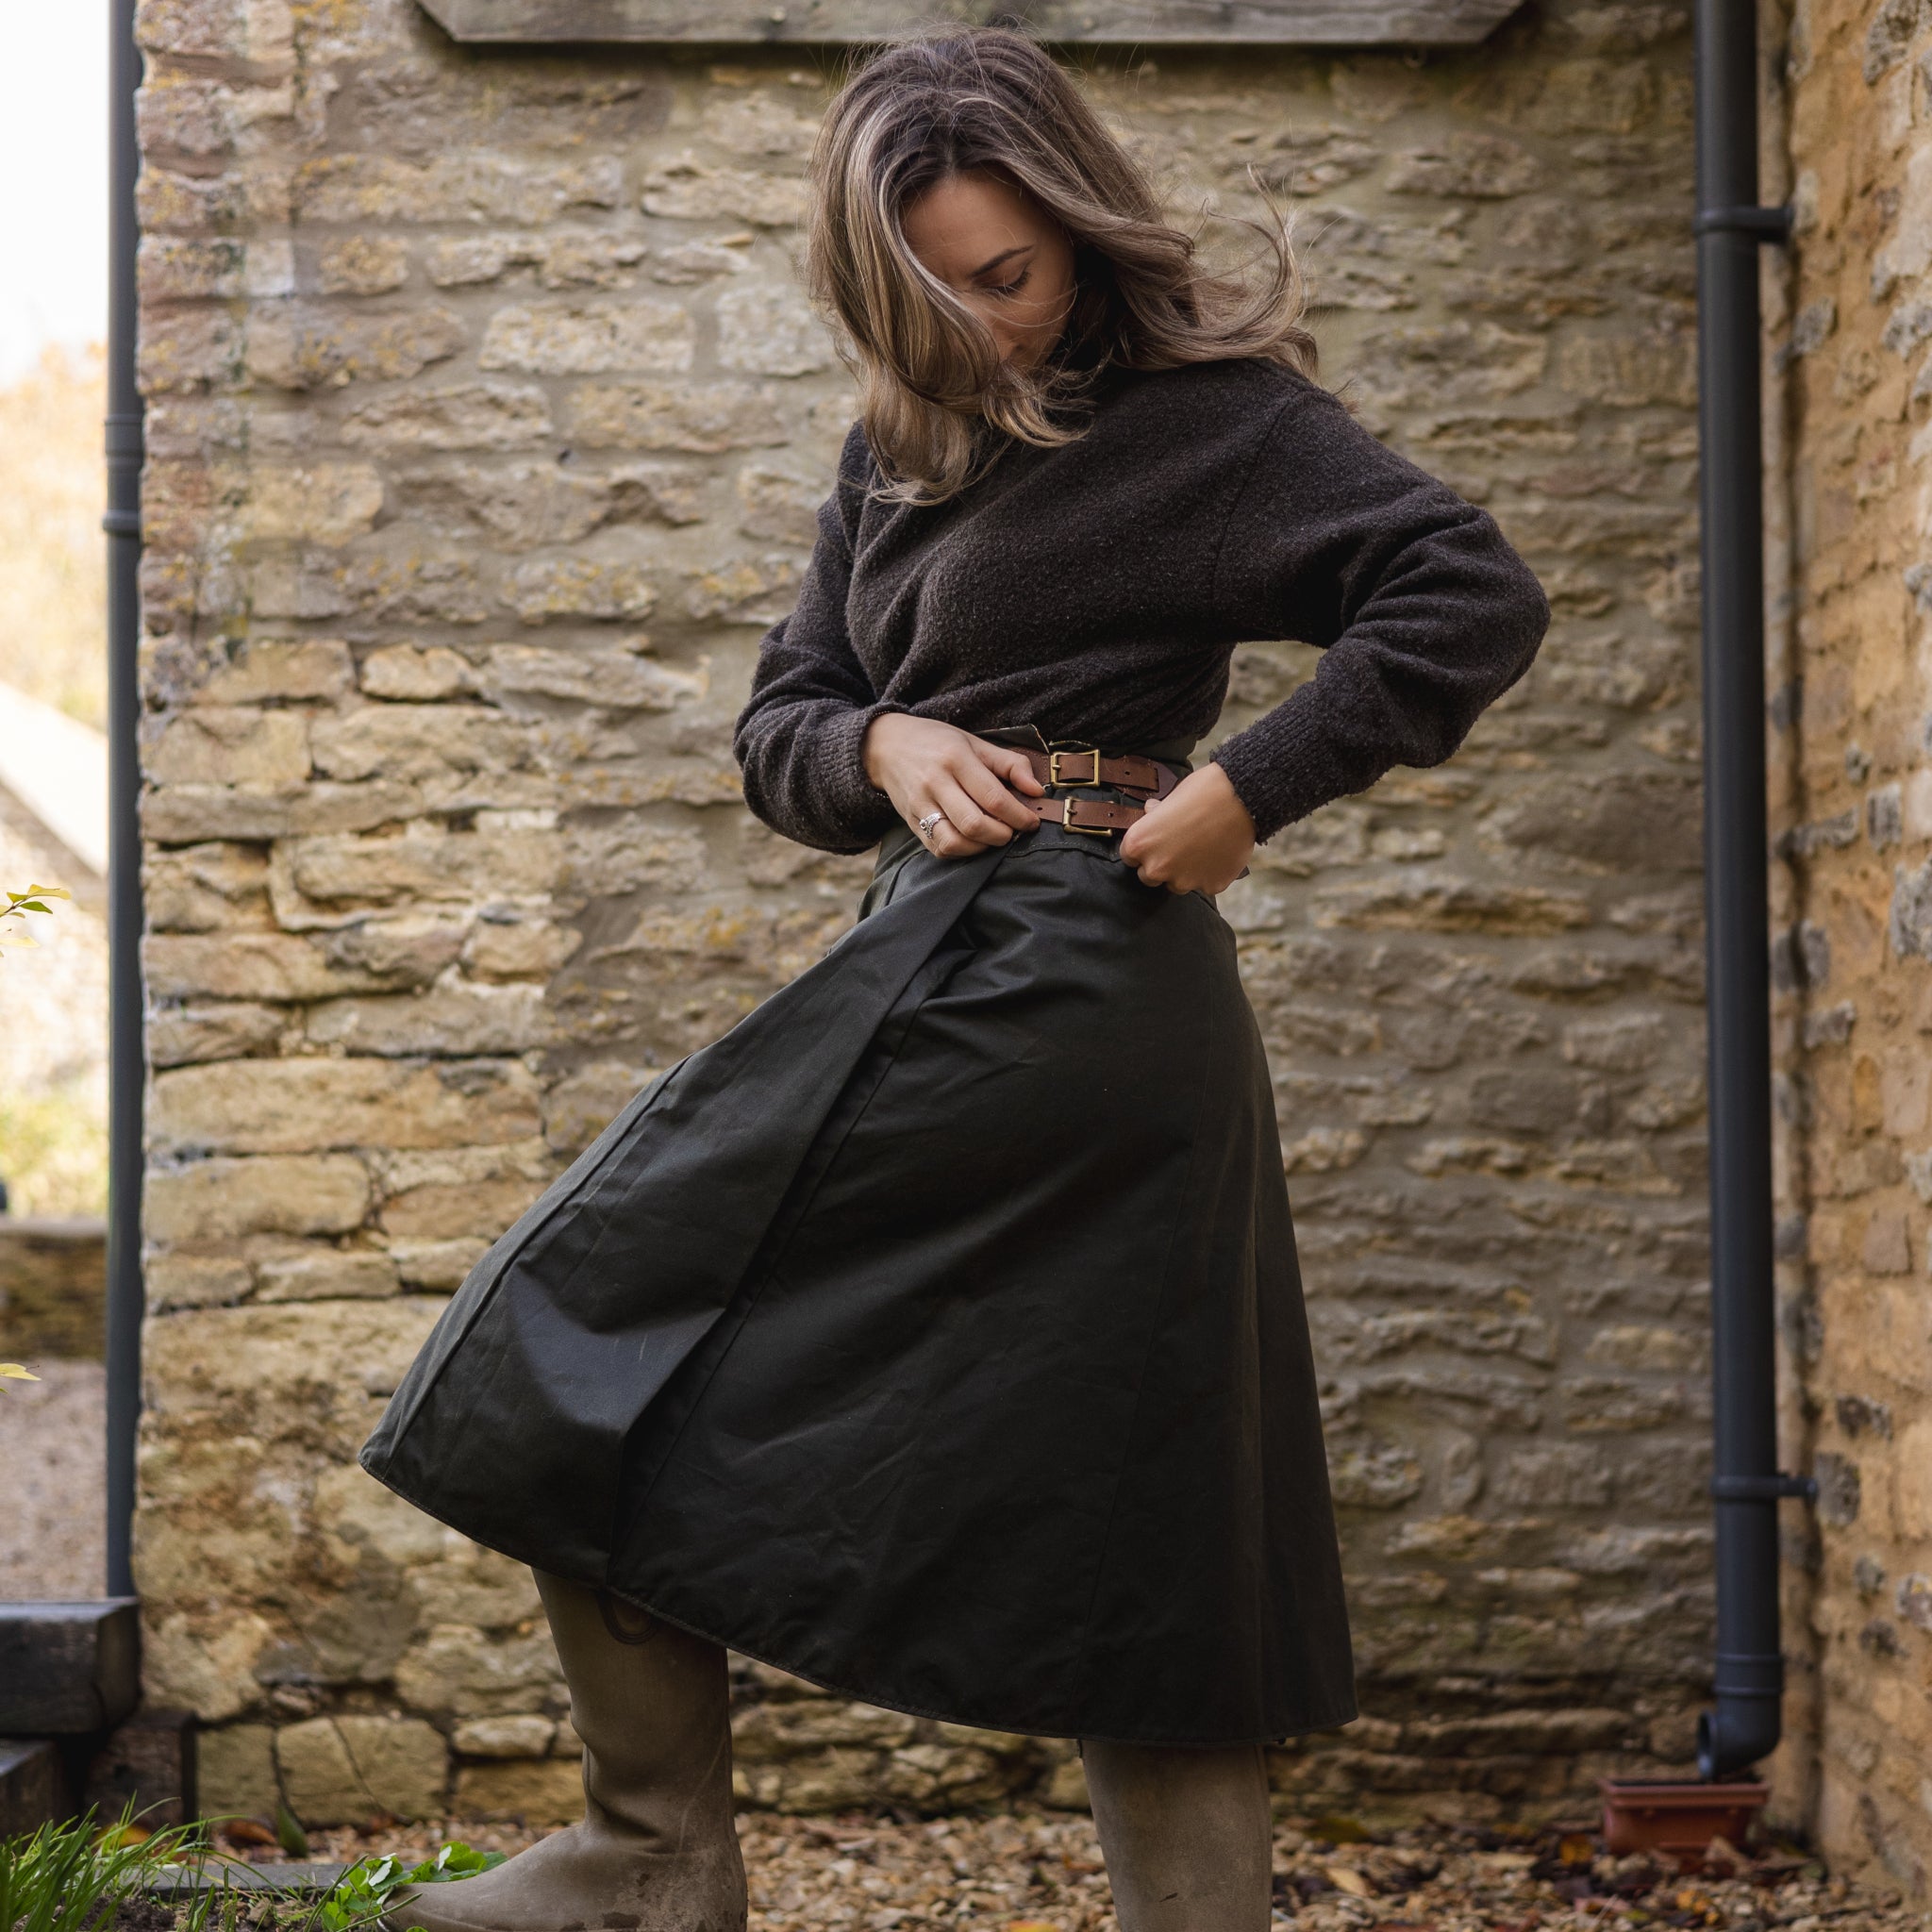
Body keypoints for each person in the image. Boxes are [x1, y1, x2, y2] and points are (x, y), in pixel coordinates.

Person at [364, 28, 1548, 1932]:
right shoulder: (892, 451)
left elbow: (1465, 588)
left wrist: (1255, 782)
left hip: (1074, 966)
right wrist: (885, 747)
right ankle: (654, 1847)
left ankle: (653, 1857)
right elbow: (785, 724)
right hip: (950, 940)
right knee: (1116, 1466)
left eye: (1009, 275)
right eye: (930, 296)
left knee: (597, 1313)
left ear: (1078, 227)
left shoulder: (1212, 419)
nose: (984, 329)